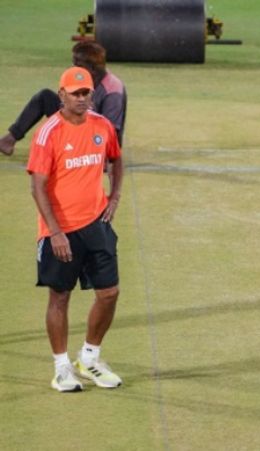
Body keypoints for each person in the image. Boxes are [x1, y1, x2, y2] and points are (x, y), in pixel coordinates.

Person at [28, 66, 124, 392]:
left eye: (86, 93)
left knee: (109, 293)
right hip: (61, 229)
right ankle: (61, 368)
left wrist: (115, 195)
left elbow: (116, 158)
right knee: (60, 297)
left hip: (96, 223)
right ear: (62, 95)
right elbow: (37, 187)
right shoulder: (49, 133)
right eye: (75, 93)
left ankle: (90, 358)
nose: (82, 98)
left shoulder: (102, 125)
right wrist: (54, 232)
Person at [0, 41, 126, 156]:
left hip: (97, 142)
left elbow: (109, 133)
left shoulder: (112, 91)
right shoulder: (86, 79)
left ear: (92, 69)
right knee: (45, 97)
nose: (72, 68)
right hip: (79, 123)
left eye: (77, 65)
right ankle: (9, 139)